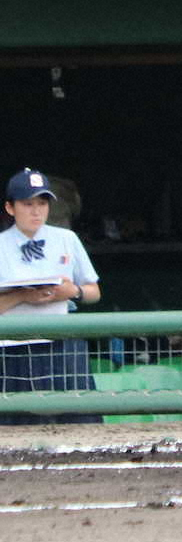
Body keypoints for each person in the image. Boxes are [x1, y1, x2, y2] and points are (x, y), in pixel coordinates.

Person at [0, 169, 101, 425]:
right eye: (28, 204)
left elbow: (93, 292)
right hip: (12, 348)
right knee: (16, 426)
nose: (36, 211)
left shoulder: (67, 239)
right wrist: (22, 296)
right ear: (10, 208)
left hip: (62, 343)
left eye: (42, 203)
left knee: (79, 421)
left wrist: (73, 292)